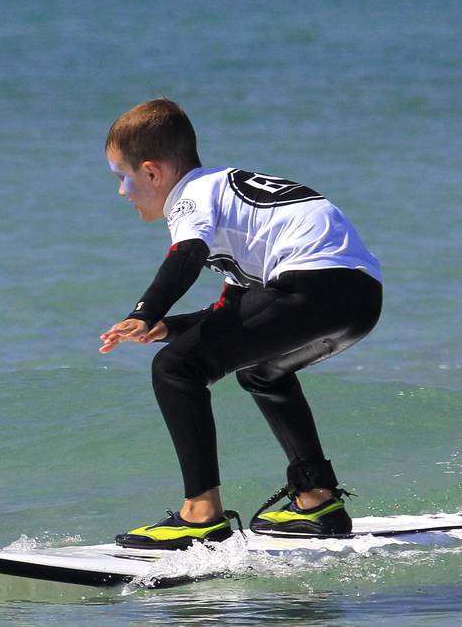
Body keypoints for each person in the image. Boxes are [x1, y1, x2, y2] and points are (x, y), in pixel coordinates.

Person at [97, 99, 383, 550]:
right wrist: (167, 327)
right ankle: (316, 498)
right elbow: (237, 312)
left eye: (122, 177)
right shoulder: (230, 200)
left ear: (152, 172)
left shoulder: (191, 196)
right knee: (263, 371)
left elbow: (186, 256)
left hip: (310, 285)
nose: (121, 192)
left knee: (175, 370)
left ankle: (200, 516)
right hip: (359, 298)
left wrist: (143, 311)